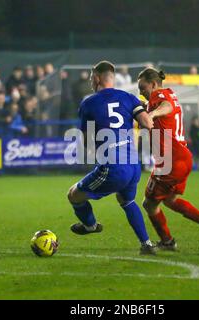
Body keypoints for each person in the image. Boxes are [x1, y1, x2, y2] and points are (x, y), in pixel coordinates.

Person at [66, 61, 156, 255]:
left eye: (92, 78)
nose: (91, 81)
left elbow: (86, 139)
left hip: (113, 167)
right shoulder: (128, 97)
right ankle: (147, 243)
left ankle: (90, 226)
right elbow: (148, 123)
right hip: (133, 165)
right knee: (127, 201)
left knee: (73, 194)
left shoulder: (88, 103)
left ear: (98, 78)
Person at [137, 67, 199, 251]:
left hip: (170, 161)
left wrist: (151, 114)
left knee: (149, 203)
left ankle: (167, 242)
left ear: (153, 84)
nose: (141, 92)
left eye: (143, 87)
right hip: (182, 158)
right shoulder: (169, 93)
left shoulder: (158, 96)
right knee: (170, 200)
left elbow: (165, 107)